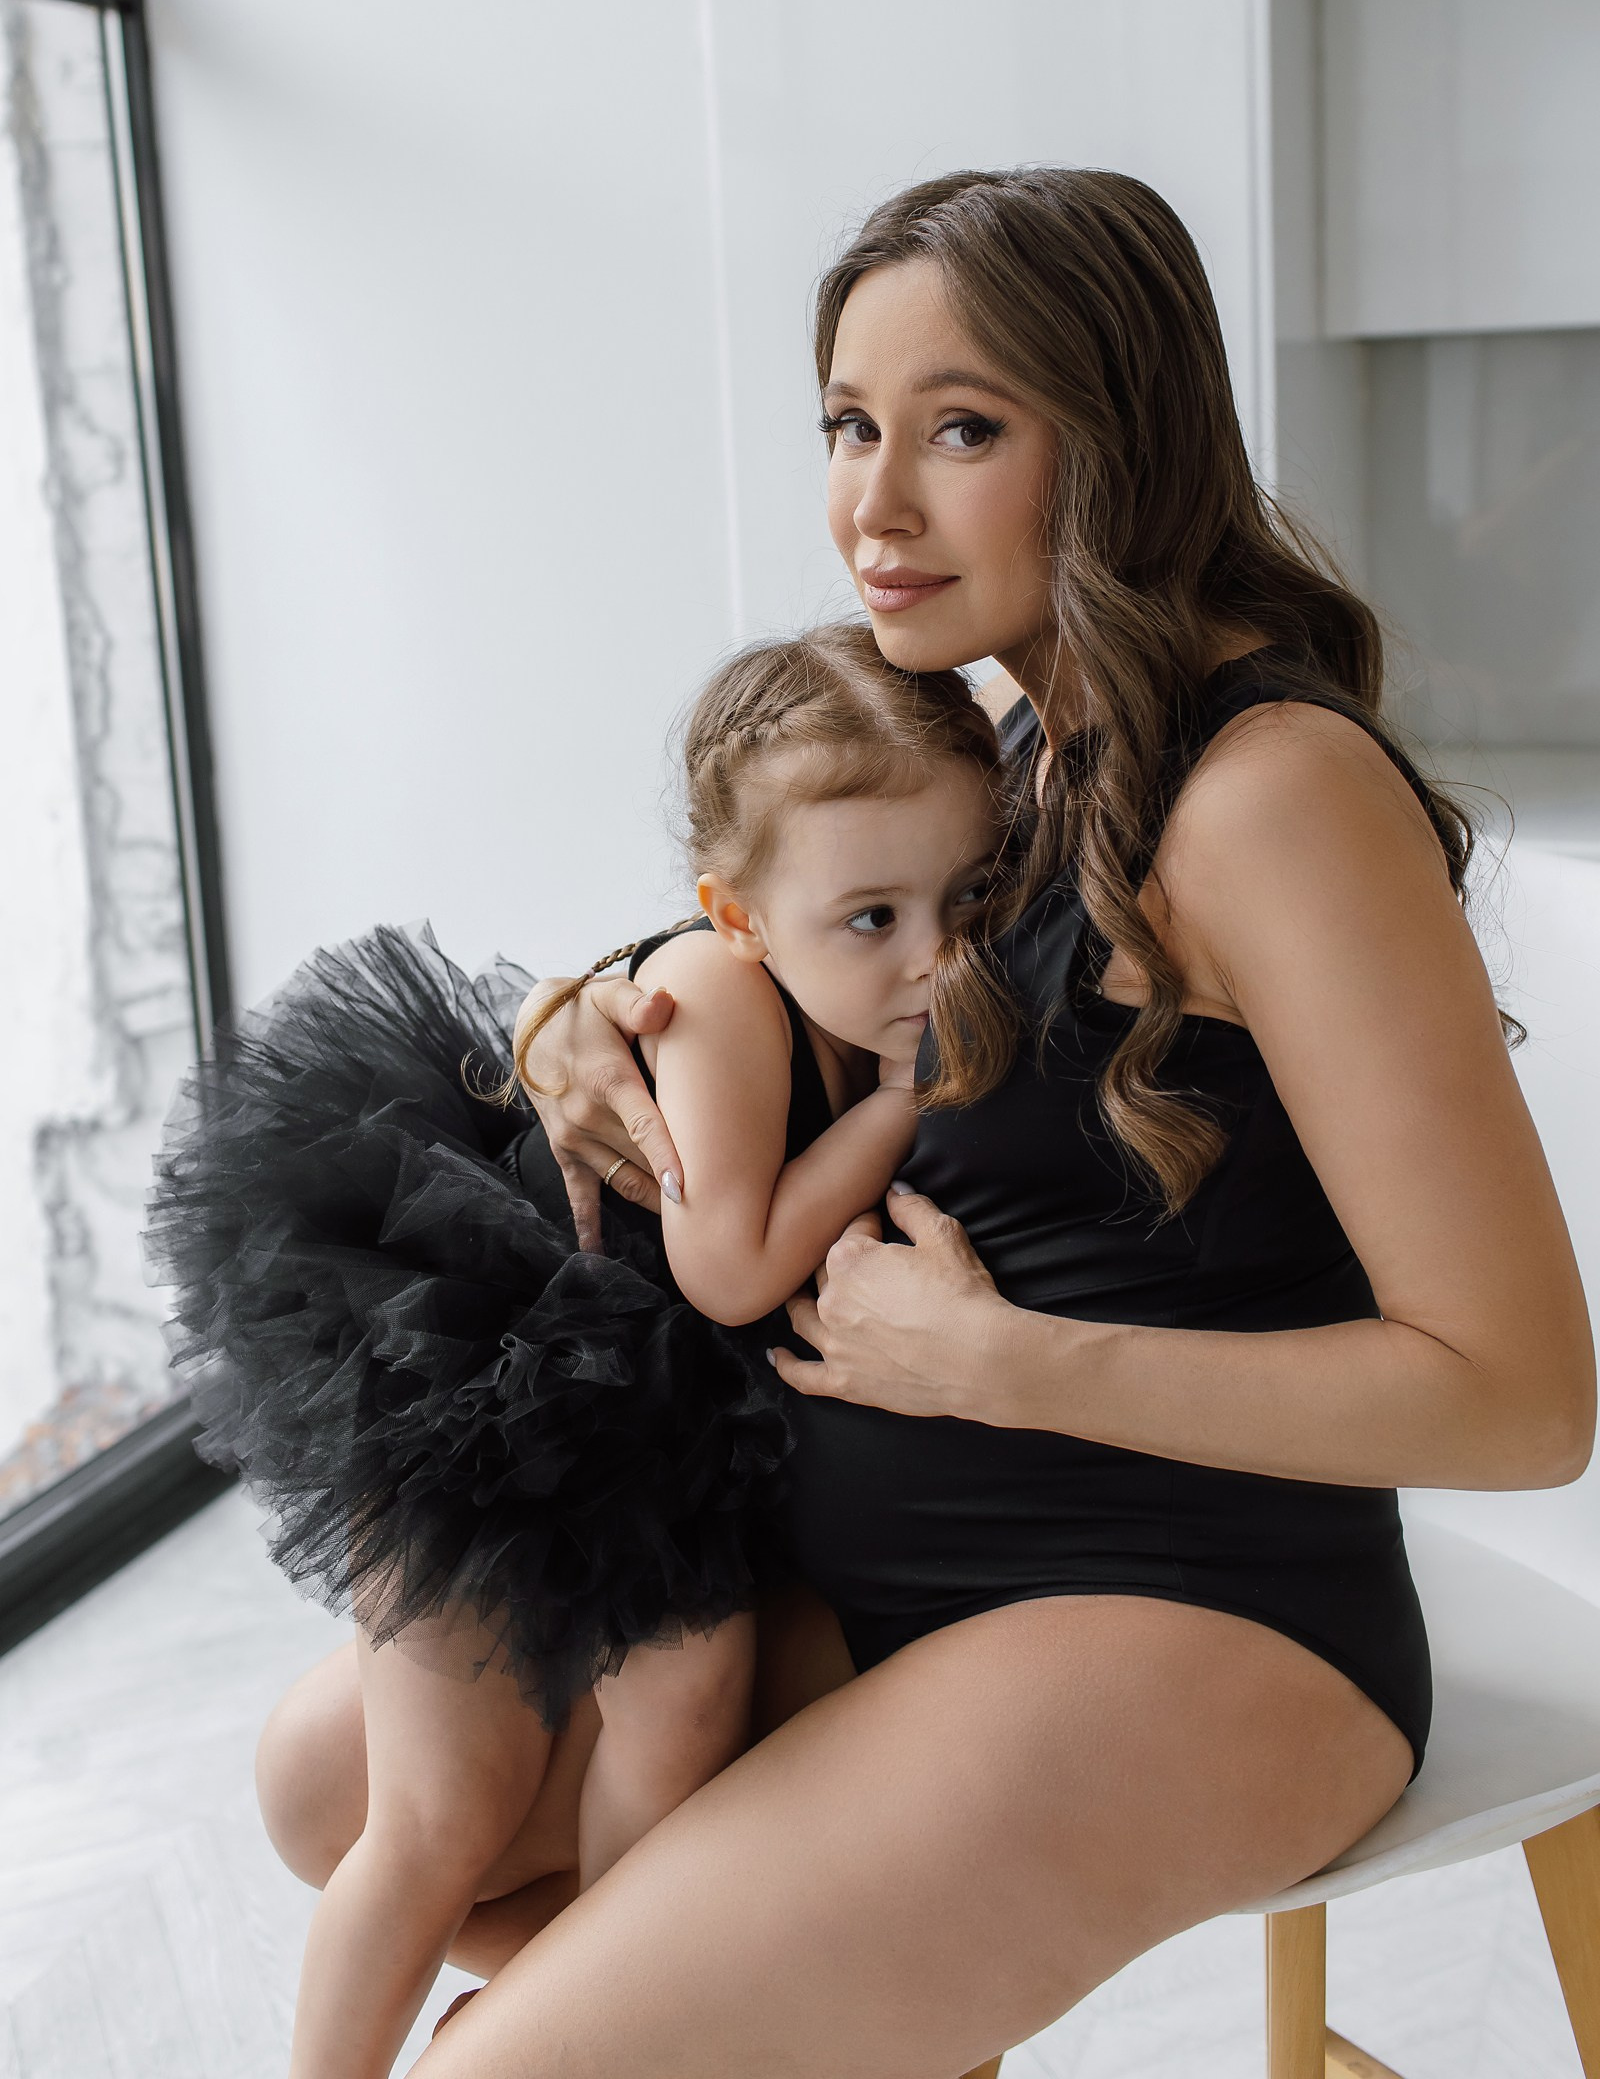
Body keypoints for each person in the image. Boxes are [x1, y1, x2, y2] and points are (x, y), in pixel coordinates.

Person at [258, 169, 1594, 2079]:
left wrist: (1004, 1366)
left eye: (961, 430)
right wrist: (591, 1021)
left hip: (1191, 1607)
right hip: (903, 1583)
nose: (873, 507)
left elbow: (1525, 1403)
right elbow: (811, 945)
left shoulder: (1269, 793)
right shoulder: (1024, 742)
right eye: (848, 426)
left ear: (1119, 445)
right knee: (337, 1788)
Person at [150, 624, 1002, 2079]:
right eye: (872, 917)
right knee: (435, 1817)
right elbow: (726, 1267)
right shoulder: (716, 995)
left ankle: (585, 2021)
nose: (935, 956)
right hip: (495, 1407)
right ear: (738, 914)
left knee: (678, 1735)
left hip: (658, 1457)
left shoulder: (862, 990)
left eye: (967, 898)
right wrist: (896, 1109)